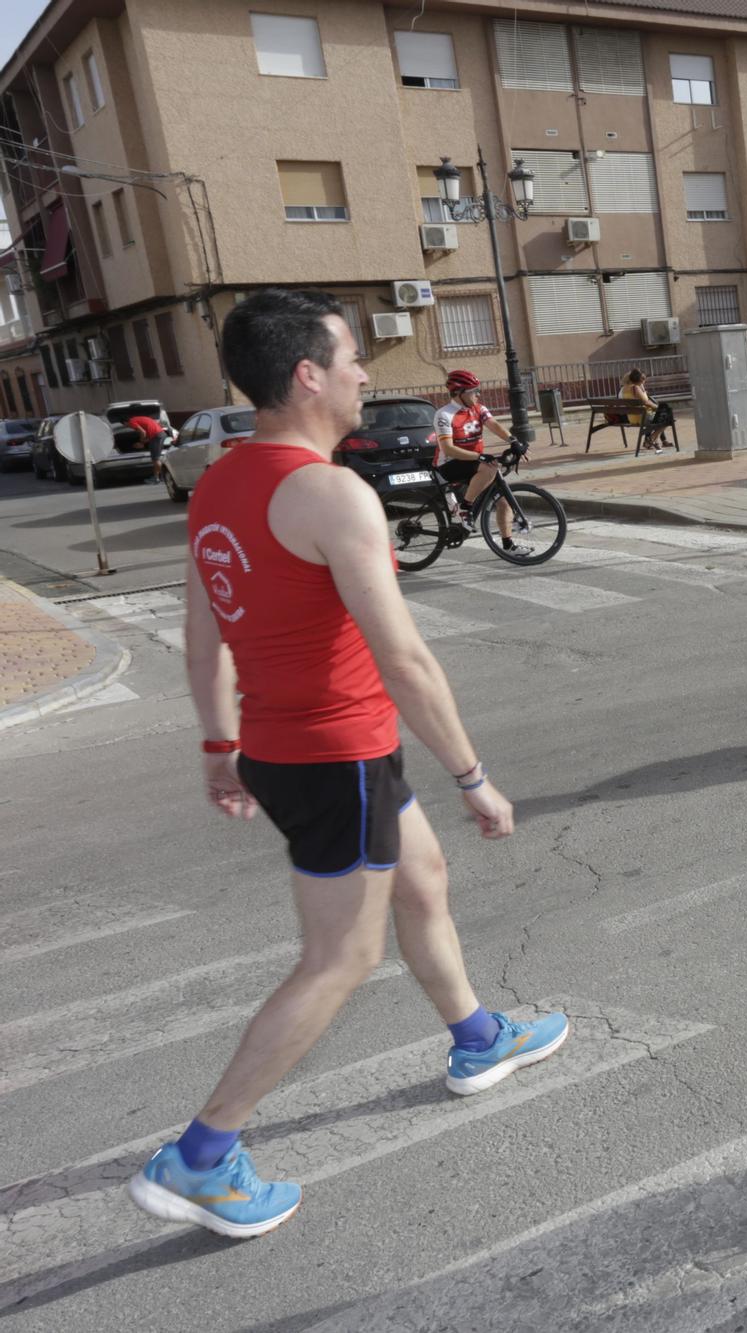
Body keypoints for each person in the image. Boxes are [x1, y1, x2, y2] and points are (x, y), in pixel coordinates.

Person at [129, 289, 568, 1240]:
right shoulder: (331, 494)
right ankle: (201, 1154)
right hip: (339, 754)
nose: (367, 374)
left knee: (423, 877)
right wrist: (470, 774)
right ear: (307, 375)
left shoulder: (218, 482)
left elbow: (204, 634)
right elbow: (404, 655)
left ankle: (477, 1037)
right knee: (340, 957)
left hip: (285, 752)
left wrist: (219, 746)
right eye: (353, 357)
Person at [433, 370, 520, 547]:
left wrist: (514, 441)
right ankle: (465, 508)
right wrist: (480, 456)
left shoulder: (478, 409)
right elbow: (448, 449)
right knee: (490, 467)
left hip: (474, 461)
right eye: (473, 391)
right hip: (449, 464)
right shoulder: (444, 415)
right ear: (459, 393)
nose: (478, 394)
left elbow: (494, 424)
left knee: (504, 501)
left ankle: (508, 545)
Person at [619, 367, 675, 454]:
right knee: (668, 418)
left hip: (633, 417)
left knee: (664, 415)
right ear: (640, 379)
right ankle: (651, 439)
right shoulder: (636, 388)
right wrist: (657, 407)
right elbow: (646, 402)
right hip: (643, 417)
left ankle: (651, 440)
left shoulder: (625, 389)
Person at [131, 412, 173, 484]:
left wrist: (141, 443)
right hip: (159, 435)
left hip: (157, 436)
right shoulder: (144, 418)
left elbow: (143, 432)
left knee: (156, 459)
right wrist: (143, 442)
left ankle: (166, 477)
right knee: (155, 459)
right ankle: (156, 478)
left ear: (124, 423)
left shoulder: (131, 421)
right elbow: (148, 435)